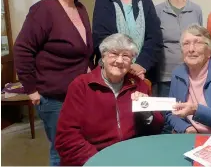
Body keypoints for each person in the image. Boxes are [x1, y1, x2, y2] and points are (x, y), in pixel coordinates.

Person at [13, 0, 93, 166]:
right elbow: (22, 49)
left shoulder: (80, 8)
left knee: (79, 144)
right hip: (54, 97)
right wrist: (31, 89)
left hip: (79, 93)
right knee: (61, 149)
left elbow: (84, 52)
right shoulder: (44, 9)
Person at [55, 33, 164, 166]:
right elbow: (66, 138)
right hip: (93, 157)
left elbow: (157, 127)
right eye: (114, 53)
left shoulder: (138, 84)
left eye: (125, 56)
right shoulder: (81, 86)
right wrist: (101, 161)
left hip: (130, 156)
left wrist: (148, 115)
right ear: (103, 56)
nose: (119, 61)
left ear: (132, 61)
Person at [92, 0, 162, 82]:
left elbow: (154, 38)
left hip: (143, 72)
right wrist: (124, 65)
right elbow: (101, 38)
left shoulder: (145, 0)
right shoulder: (103, 0)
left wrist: (140, 65)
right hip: (112, 71)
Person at [154, 0, 203, 98]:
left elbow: (201, 42)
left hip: (192, 74)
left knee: (190, 115)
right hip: (165, 76)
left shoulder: (196, 10)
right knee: (166, 116)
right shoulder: (157, 11)